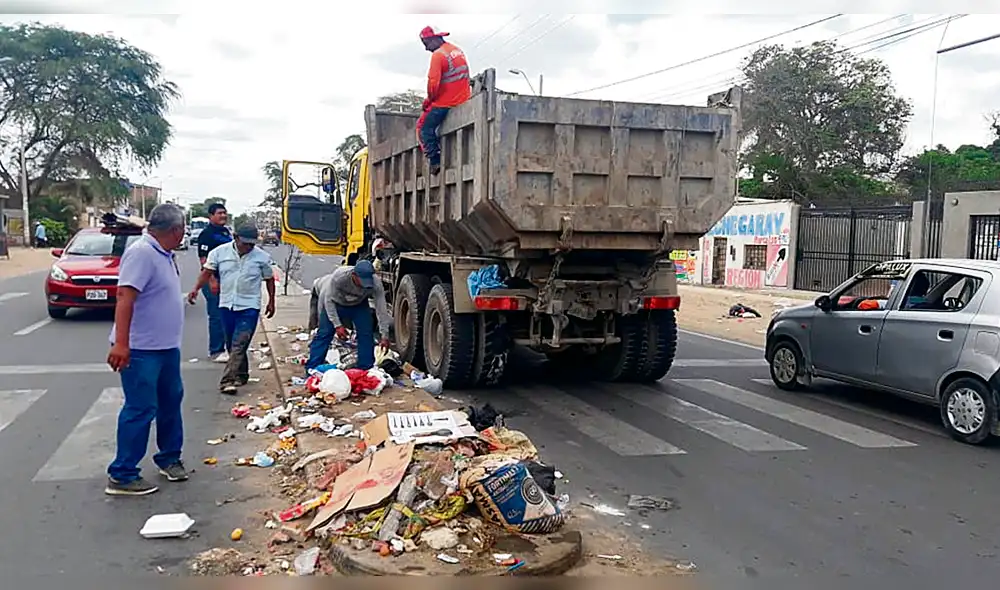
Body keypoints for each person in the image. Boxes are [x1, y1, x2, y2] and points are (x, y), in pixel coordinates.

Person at [105, 203, 188, 496]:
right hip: (141, 350)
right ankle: (123, 474)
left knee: (170, 402)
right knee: (140, 408)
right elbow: (124, 297)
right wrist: (121, 343)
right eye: (183, 229)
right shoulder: (142, 253)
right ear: (176, 230)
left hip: (166, 348)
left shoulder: (164, 253)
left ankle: (169, 458)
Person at [188, 224, 276, 394]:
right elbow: (207, 272)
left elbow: (269, 279)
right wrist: (196, 289)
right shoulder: (219, 253)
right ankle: (241, 374)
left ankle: (227, 380)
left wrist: (271, 301)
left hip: (249, 306)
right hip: (227, 304)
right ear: (236, 238)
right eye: (245, 243)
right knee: (231, 343)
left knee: (240, 342)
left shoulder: (262, 257)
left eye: (252, 244)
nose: (249, 247)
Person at [307, 261, 392, 372]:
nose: (364, 285)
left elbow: (381, 308)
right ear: (354, 275)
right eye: (362, 281)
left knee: (366, 335)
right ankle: (313, 368)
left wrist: (385, 335)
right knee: (324, 334)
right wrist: (337, 325)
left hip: (359, 305)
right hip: (336, 304)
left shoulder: (375, 283)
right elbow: (328, 301)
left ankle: (365, 369)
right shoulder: (339, 278)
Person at [417, 26, 471, 175]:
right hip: (464, 99)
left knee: (423, 128)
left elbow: (433, 85)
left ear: (434, 39)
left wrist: (428, 101)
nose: (426, 48)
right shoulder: (457, 51)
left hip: (446, 102)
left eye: (426, 43)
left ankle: (435, 160)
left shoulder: (438, 55)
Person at [194, 203, 233, 363]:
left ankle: (228, 348)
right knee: (216, 316)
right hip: (213, 279)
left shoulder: (225, 232)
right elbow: (204, 260)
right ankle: (216, 350)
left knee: (227, 314)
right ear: (211, 216)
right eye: (219, 213)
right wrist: (212, 280)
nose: (223, 216)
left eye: (224, 213)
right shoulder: (206, 234)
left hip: (227, 280)